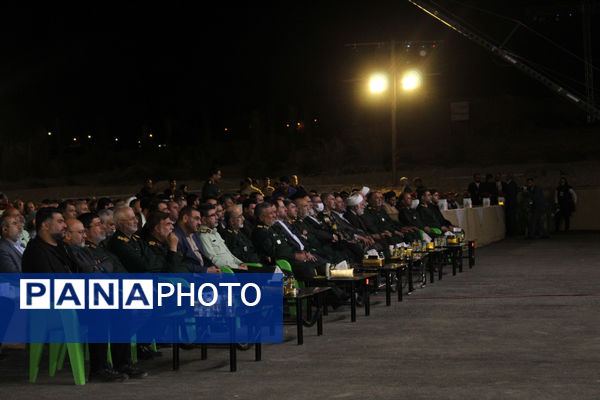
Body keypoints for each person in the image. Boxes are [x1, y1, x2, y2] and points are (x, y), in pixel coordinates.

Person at [252, 202, 318, 281]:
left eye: (274, 212)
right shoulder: (260, 232)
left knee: (315, 262)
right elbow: (274, 252)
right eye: (271, 213)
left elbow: (285, 244)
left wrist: (301, 252)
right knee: (306, 267)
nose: (274, 215)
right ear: (262, 217)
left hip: (289, 257)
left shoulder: (271, 228)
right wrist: (295, 256)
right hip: (280, 262)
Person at [198, 204, 248, 271]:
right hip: (226, 270)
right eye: (213, 215)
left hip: (234, 267)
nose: (217, 217)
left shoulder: (215, 233)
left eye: (216, 214)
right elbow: (213, 260)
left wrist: (239, 263)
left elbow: (228, 253)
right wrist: (236, 267)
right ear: (204, 219)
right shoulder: (203, 236)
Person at [172, 206, 219, 273]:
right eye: (197, 219)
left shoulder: (194, 234)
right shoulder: (175, 236)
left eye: (200, 219)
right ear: (185, 218)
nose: (200, 223)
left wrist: (215, 268)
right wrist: (206, 270)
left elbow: (204, 257)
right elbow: (181, 265)